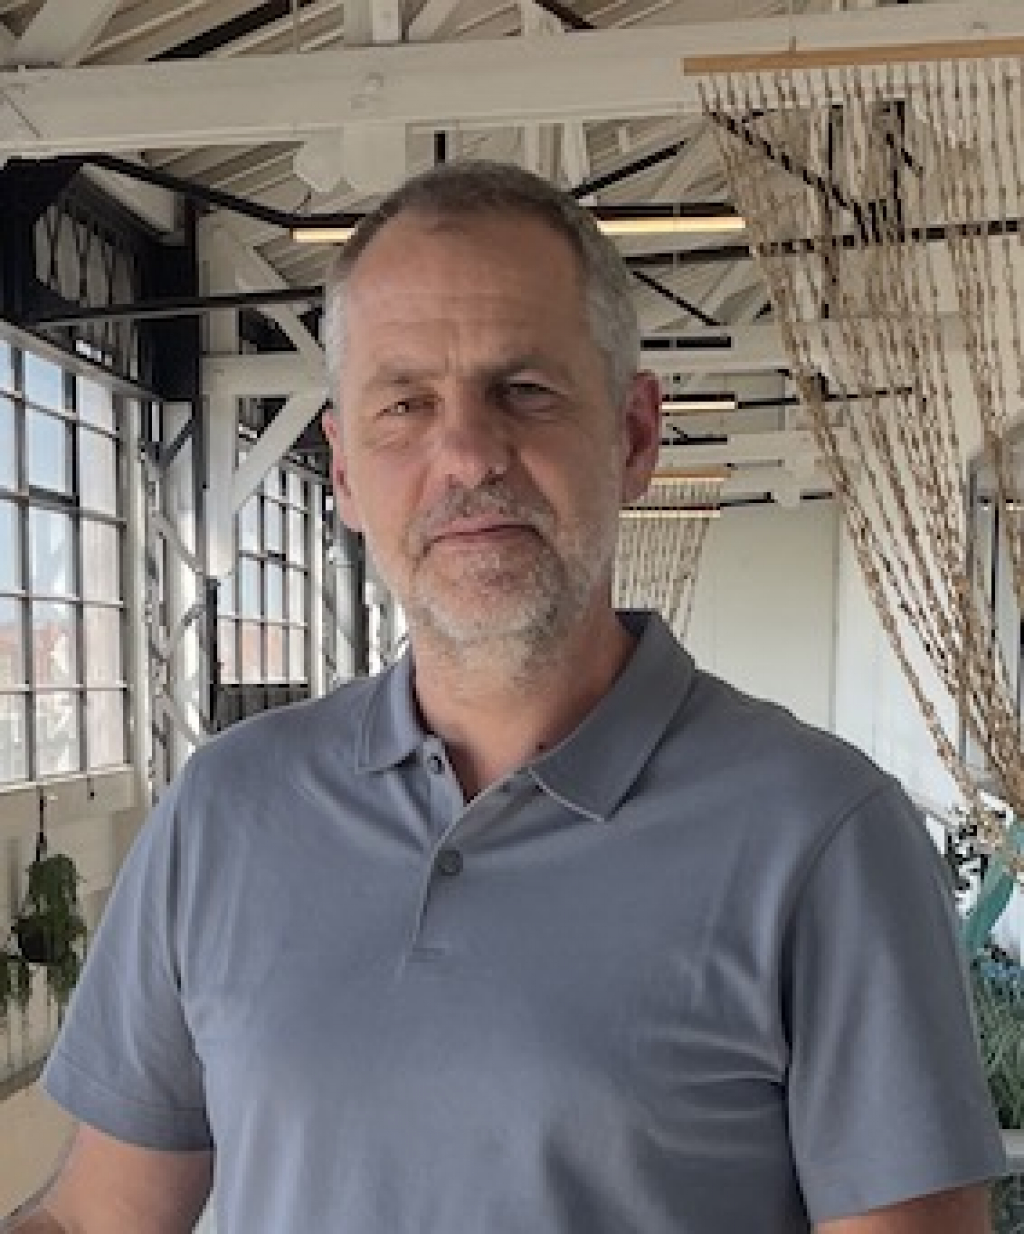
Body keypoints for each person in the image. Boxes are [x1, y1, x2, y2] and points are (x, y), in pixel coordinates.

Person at [4, 161, 1006, 1234]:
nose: (468, 454)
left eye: (524, 390)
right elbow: (96, 1218)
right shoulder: (226, 812)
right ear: (343, 471)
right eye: (405, 405)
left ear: (633, 436)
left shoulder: (822, 836)